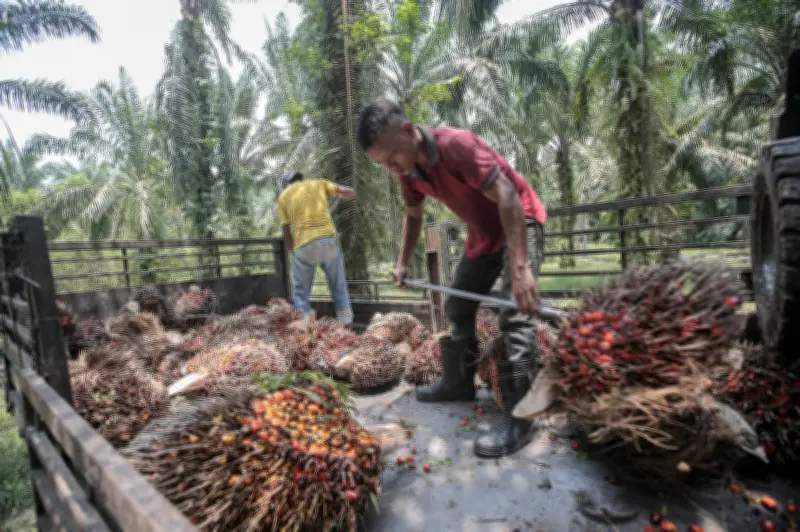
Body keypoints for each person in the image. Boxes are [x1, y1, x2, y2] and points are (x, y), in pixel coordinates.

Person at [355, 99, 547, 458]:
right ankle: (458, 383)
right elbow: (413, 217)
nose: (391, 168)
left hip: (520, 221)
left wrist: (520, 269)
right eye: (381, 163)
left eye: (392, 157)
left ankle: (523, 416)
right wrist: (402, 263)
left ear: (409, 132)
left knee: (515, 312)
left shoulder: (458, 146)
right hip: (483, 234)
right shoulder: (409, 172)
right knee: (457, 305)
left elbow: (507, 195)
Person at [278, 171, 356, 326]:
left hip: (304, 246)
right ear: (300, 179)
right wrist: (346, 194)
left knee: (300, 293)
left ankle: (305, 328)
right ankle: (347, 325)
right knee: (338, 286)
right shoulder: (319, 183)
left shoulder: (284, 196)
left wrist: (294, 251)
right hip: (328, 242)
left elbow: (286, 230)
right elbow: (347, 192)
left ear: (286, 184)